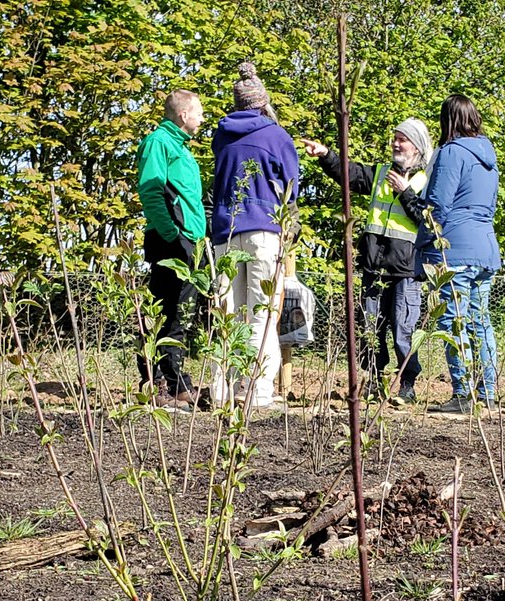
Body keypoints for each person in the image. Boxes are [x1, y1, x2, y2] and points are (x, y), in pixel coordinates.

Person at [300, 118, 433, 406]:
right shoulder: (380, 173)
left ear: (418, 147)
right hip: (375, 267)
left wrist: (405, 193)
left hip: (406, 270)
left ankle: (406, 385)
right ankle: (373, 379)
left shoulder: (427, 180)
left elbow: (428, 221)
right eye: (395, 138)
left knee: (403, 331)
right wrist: (326, 155)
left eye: (403, 139)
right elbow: (348, 173)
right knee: (370, 328)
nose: (396, 144)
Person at [209, 62, 300, 408]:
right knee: (262, 312)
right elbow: (291, 188)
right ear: (263, 102)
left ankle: (222, 392)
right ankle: (259, 392)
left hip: (225, 230)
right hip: (264, 230)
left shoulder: (221, 135)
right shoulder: (277, 136)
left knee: (227, 314)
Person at [415, 95, 501, 414]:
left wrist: (424, 243)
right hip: (486, 247)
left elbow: (438, 204)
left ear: (446, 120)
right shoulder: (488, 158)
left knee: (454, 323)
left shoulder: (452, 153)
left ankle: (464, 394)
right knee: (480, 321)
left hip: (455, 249)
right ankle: (488, 391)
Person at [135, 88, 206, 410]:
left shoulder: (181, 148)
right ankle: (156, 384)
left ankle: (176, 384)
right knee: (165, 313)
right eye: (200, 112)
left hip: (188, 240)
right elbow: (151, 190)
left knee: (181, 314)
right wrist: (172, 235)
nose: (203, 119)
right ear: (184, 115)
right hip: (172, 241)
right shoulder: (159, 143)